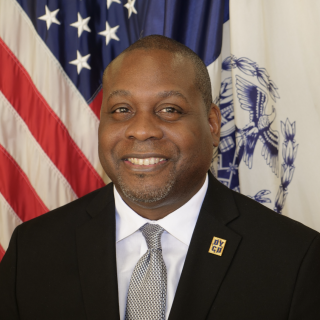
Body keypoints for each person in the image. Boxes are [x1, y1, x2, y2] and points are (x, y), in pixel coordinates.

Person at [0, 35, 319, 320]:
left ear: (212, 124)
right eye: (122, 109)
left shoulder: (296, 260)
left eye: (169, 110)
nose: (142, 129)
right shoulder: (32, 250)